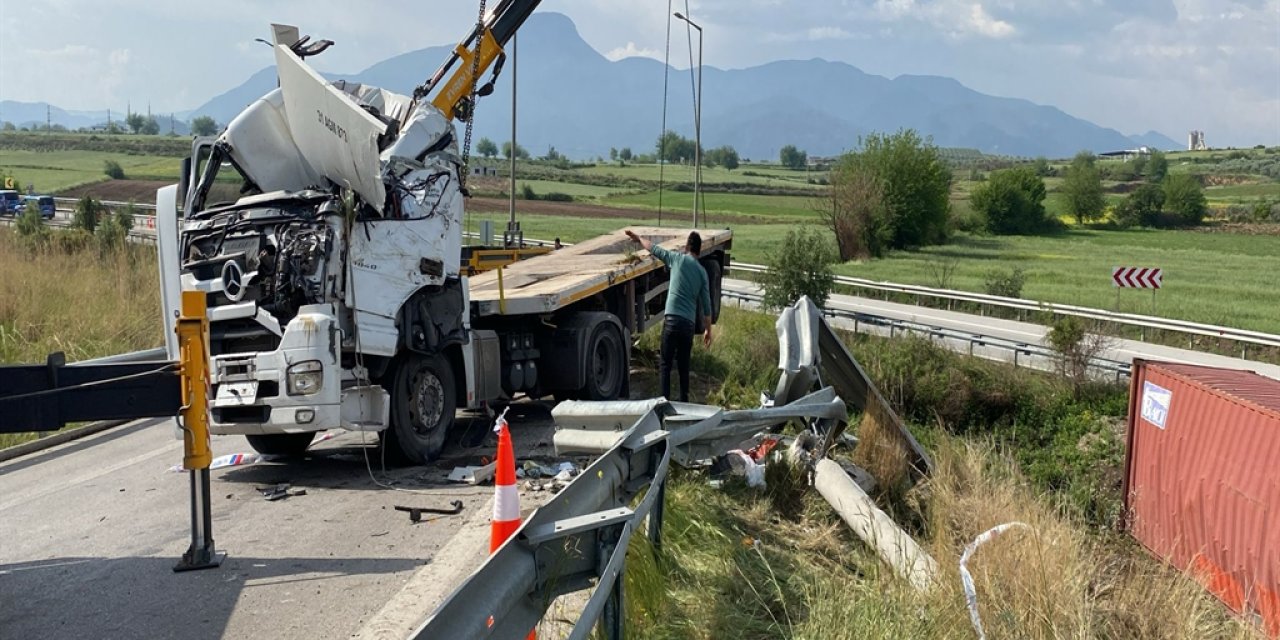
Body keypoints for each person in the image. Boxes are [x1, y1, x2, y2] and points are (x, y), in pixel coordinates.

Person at [624, 229, 712, 402]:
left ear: (687, 246)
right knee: (683, 367)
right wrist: (708, 330)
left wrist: (639, 238)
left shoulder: (676, 259)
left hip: (671, 320)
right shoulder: (702, 273)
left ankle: (664, 403)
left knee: (665, 364)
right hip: (688, 325)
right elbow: (707, 306)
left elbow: (654, 248)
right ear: (699, 250)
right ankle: (684, 403)